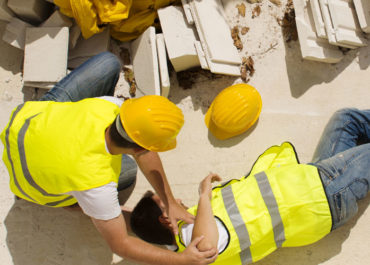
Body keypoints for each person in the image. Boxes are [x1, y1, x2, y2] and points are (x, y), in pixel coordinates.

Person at [0, 52, 217, 265]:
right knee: (128, 173)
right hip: (28, 181)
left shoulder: (108, 106)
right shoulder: (97, 183)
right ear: (139, 147)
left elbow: (143, 147)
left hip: (25, 124)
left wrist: (169, 202)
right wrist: (181, 260)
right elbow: (120, 244)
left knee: (108, 63)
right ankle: (69, 203)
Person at [130, 108, 370, 264]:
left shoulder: (188, 226)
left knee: (346, 120)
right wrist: (204, 195)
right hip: (325, 194)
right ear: (164, 220)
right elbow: (208, 246)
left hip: (312, 180)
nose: (177, 201)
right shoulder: (194, 244)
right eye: (165, 202)